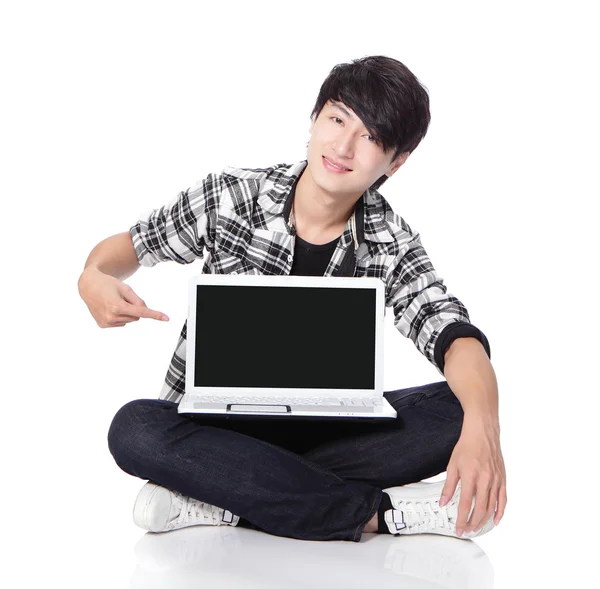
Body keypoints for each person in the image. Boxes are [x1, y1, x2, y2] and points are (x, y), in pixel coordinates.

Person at [78, 55, 507, 543]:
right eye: (337, 119)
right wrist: (91, 277)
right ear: (315, 118)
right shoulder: (233, 195)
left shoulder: (392, 240)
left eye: (369, 137)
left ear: (397, 161)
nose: (343, 146)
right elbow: (124, 250)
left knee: (460, 407)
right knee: (133, 428)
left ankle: (222, 499)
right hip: (217, 433)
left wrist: (483, 427)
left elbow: (451, 332)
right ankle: (378, 514)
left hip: (326, 437)